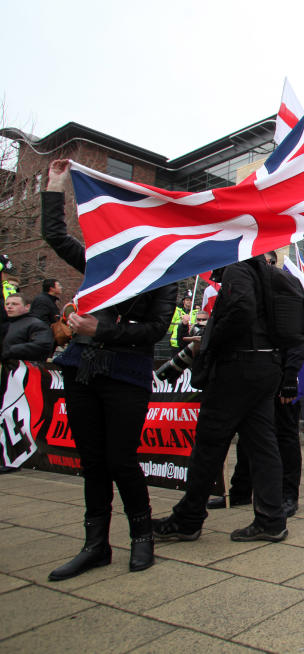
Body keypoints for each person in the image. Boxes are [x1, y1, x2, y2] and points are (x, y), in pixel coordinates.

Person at [42, 160, 177, 581]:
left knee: (121, 459)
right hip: (82, 371)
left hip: (126, 376)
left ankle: (142, 537)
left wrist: (104, 328)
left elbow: (155, 329)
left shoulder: (163, 274)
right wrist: (54, 185)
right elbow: (55, 236)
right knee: (93, 461)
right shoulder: (100, 262)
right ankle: (95, 544)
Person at [153, 255, 294, 543]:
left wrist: (210, 342)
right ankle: (271, 519)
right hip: (265, 366)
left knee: (209, 443)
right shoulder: (267, 275)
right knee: (263, 445)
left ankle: (188, 518)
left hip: (237, 368)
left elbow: (242, 309)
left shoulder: (239, 269)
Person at [2, 294, 55, 362]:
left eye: (14, 304)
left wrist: (9, 350)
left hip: (22, 368)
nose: (9, 307)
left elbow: (42, 345)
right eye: (7, 304)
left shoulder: (37, 324)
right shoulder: (5, 324)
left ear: (27, 307)